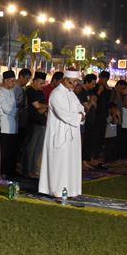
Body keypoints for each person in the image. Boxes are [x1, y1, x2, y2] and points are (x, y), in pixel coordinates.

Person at [39, 70, 85, 198]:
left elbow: (81, 108)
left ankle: (70, 189)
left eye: (76, 82)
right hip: (59, 133)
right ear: (65, 80)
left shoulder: (71, 94)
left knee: (70, 162)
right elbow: (63, 114)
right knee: (59, 163)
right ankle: (56, 190)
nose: (75, 84)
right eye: (73, 82)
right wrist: (78, 117)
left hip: (72, 134)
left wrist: (81, 115)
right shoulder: (56, 94)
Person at [23, 72, 48, 178]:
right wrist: (46, 106)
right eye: (40, 83)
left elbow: (42, 109)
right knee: (31, 147)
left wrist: (44, 107)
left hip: (42, 122)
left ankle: (34, 169)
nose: (42, 85)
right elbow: (37, 106)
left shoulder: (40, 92)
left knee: (38, 148)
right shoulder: (30, 90)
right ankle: (27, 170)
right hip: (33, 123)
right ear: (35, 81)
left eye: (43, 83)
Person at [0, 70, 19, 178]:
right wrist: (16, 112)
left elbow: (13, 107)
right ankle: (3, 172)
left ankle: (10, 171)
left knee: (12, 150)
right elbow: (6, 108)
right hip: (5, 126)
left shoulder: (11, 91)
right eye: (11, 81)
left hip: (13, 126)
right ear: (5, 81)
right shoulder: (0, 91)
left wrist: (15, 111)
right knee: (4, 151)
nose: (13, 83)